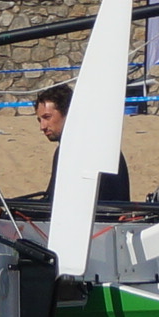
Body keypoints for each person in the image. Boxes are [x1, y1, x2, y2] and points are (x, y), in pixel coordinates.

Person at [31, 81, 128, 217]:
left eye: (47, 117)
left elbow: (56, 204)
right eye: (39, 120)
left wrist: (7, 215)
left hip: (99, 229)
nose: (42, 126)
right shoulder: (85, 143)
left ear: (69, 114)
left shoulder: (85, 147)